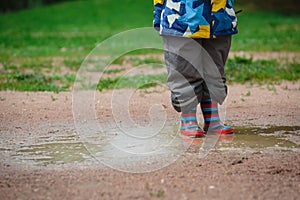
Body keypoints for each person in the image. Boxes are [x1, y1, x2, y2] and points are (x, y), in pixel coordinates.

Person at [153, 0, 238, 137]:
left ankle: (213, 119)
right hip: (181, 20)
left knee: (214, 70)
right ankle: (188, 119)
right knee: (185, 71)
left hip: (219, 17)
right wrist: (158, 12)